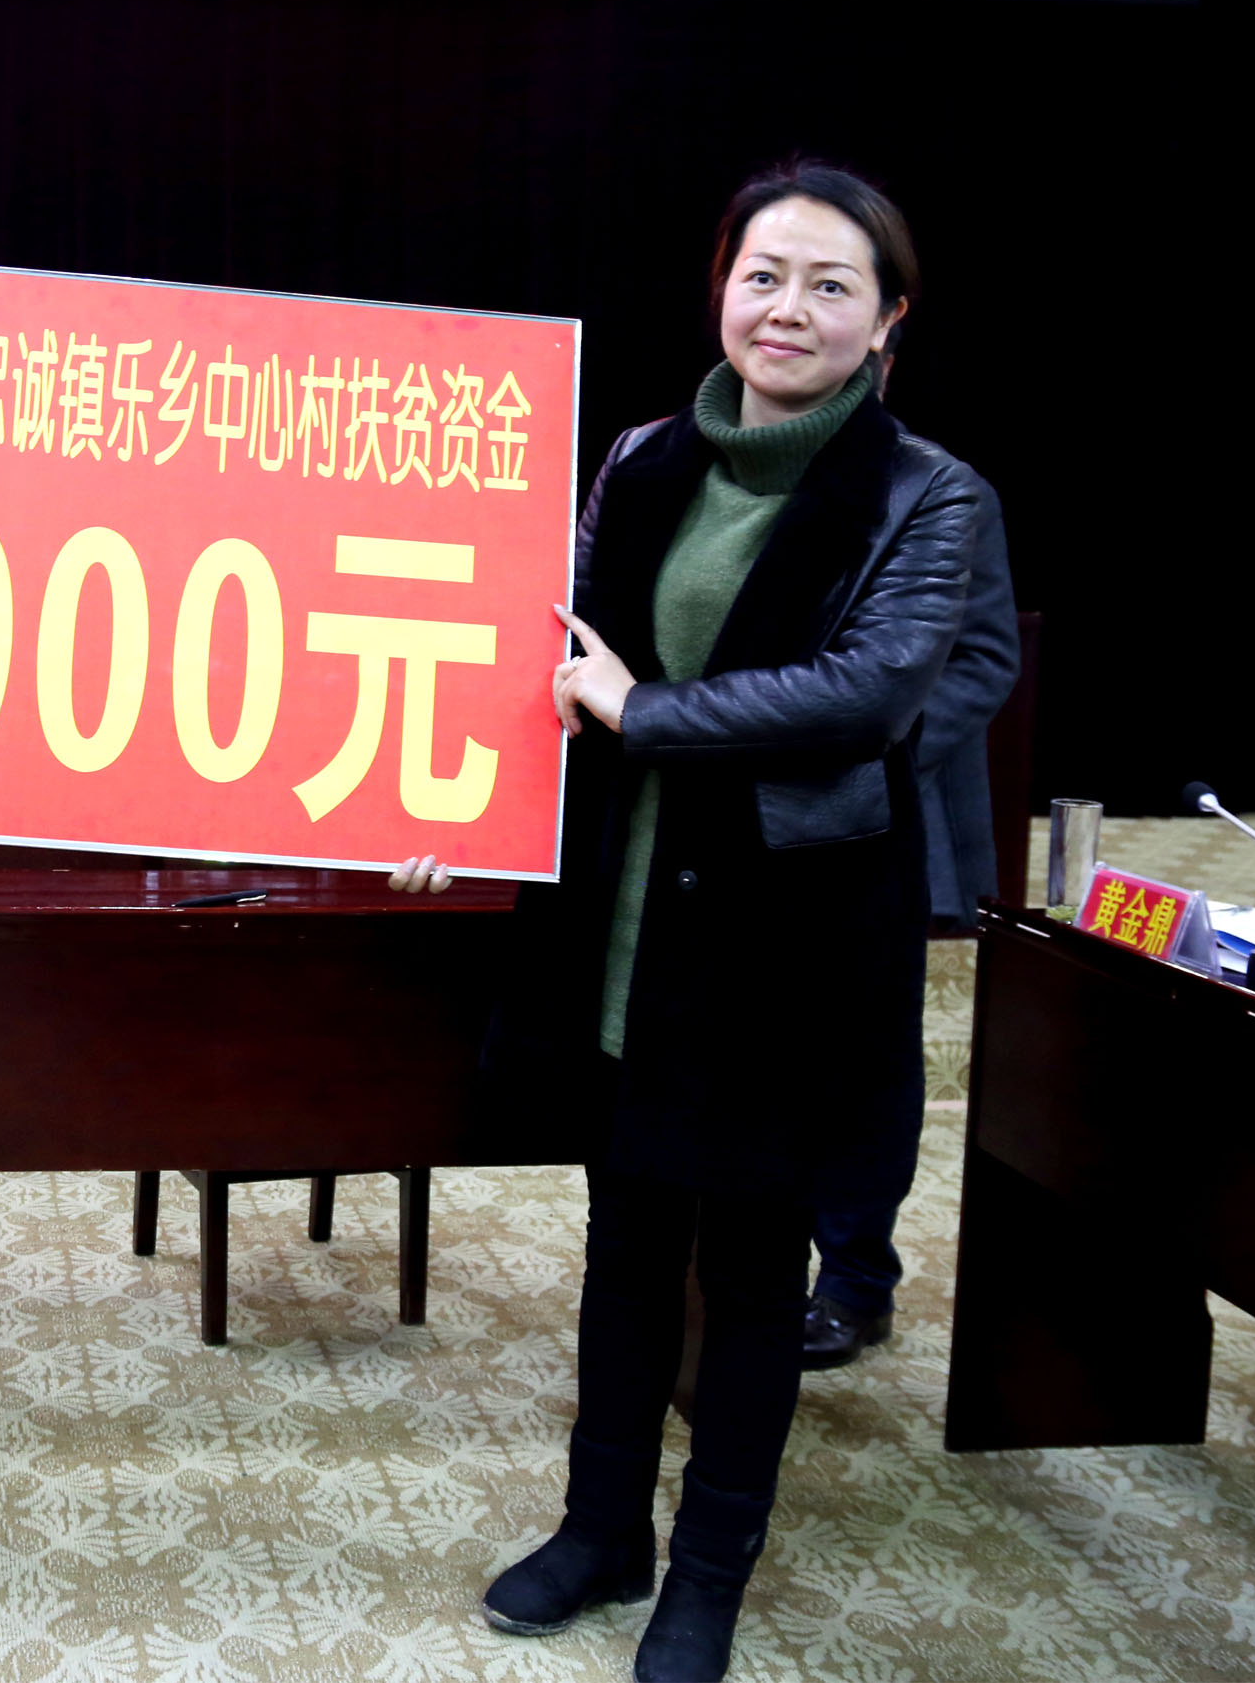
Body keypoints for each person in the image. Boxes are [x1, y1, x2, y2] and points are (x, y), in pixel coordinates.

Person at [395, 160, 980, 1683]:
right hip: (628, 927)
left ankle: (709, 1572)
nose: (787, 308)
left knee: (753, 1272)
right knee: (625, 1245)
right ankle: (601, 1528)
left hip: (787, 946)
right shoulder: (644, 456)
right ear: (722, 287)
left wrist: (642, 710)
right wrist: (440, 794)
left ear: (886, 320)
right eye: (761, 274)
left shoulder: (927, 494)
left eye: (830, 285)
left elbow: (866, 694)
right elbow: (540, 656)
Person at [803, 432, 1017, 1369]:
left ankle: (854, 1283)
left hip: (882, 815)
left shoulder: (939, 488)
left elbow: (982, 661)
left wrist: (857, 751)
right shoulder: (712, 474)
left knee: (861, 1065)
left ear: (882, 359)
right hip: (734, 813)